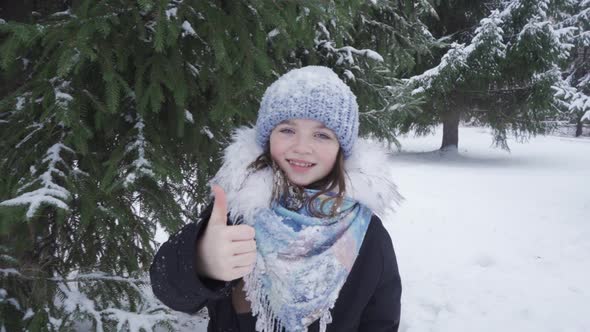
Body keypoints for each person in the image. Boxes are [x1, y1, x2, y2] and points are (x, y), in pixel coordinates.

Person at [150, 66, 402, 332]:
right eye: (287, 130)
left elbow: (381, 321)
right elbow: (169, 290)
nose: (302, 147)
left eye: (322, 134)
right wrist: (200, 261)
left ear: (342, 148)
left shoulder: (366, 234)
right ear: (268, 136)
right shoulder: (239, 211)